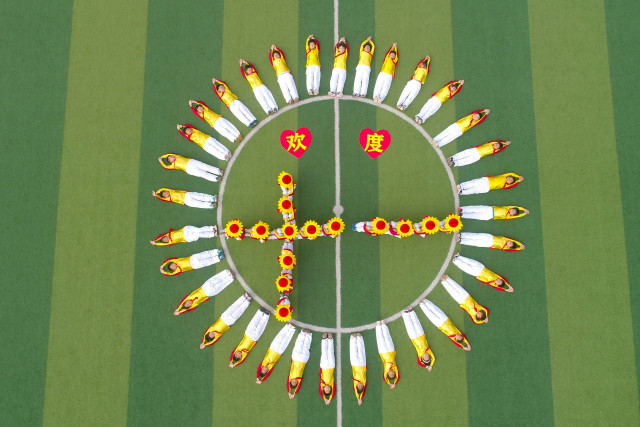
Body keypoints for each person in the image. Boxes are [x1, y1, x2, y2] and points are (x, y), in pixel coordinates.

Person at [158, 153, 223, 182]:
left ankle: (218, 171)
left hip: (191, 161)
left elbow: (169, 154)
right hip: (189, 169)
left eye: (171, 156)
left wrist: (163, 156)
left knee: (205, 166)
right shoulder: (173, 165)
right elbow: (166, 167)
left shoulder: (177, 156)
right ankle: (216, 178)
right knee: (203, 174)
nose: (172, 156)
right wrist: (161, 161)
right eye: (171, 157)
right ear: (170, 161)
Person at [159, 248, 224, 276]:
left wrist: (163, 265)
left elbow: (169, 260)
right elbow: (170, 274)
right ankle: (218, 258)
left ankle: (217, 252)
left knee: (205, 254)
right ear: (173, 270)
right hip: (194, 266)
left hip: (192, 258)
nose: (173, 265)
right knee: (207, 262)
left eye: (172, 264)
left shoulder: (176, 260)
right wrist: (164, 272)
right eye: (173, 267)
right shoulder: (177, 271)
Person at [287, 329, 312, 399]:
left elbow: (288, 385)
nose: (294, 381)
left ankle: (302, 333)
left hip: (295, 358)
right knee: (306, 347)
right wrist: (294, 393)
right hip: (303, 360)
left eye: (292, 382)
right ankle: (308, 335)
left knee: (298, 345)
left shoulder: (290, 376)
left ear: (290, 381)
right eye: (295, 383)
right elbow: (298, 387)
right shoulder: (299, 379)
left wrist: (289, 391)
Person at [375, 322, 399, 389]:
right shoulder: (395, 368)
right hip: (391, 351)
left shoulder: (386, 370)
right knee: (387, 338)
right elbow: (398, 377)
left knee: (380, 339)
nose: (392, 373)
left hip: (383, 352)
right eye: (393, 374)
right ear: (395, 373)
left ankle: (378, 326)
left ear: (387, 374)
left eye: (390, 374)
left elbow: (384, 378)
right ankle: (383, 325)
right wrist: (394, 383)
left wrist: (390, 383)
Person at [457, 172, 524, 195]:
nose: (509, 179)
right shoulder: (503, 176)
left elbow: (513, 185)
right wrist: (517, 176)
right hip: (486, 180)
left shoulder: (505, 185)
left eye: (510, 181)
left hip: (487, 188)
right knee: (473, 183)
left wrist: (518, 181)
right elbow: (511, 173)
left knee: (475, 190)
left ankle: (462, 192)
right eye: (509, 178)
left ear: (510, 183)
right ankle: (461, 186)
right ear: (508, 176)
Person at [150, 225, 217, 246]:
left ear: (165, 236)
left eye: (165, 238)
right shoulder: (170, 242)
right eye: (165, 241)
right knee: (199, 234)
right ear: (166, 242)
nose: (166, 239)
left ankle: (212, 228)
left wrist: (155, 240)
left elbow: (161, 236)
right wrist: (156, 243)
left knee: (198, 230)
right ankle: (213, 234)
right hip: (187, 238)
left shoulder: (169, 234)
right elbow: (162, 244)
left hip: (186, 230)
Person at [152, 188, 217, 209]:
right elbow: (161, 198)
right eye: (165, 195)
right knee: (199, 204)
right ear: (165, 197)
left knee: (200, 196)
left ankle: (213, 198)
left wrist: (157, 192)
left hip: (187, 194)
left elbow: (162, 189)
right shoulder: (168, 199)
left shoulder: (171, 191)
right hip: (186, 201)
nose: (166, 193)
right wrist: (156, 195)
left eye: (165, 192)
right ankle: (210, 205)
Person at [457, 232, 525, 251]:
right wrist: (520, 244)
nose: (509, 242)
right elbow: (512, 240)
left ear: (509, 247)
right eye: (510, 241)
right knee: (476, 236)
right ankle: (461, 235)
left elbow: (513, 249)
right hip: (490, 237)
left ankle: (461, 240)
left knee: (474, 242)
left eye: (510, 244)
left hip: (488, 244)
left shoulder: (505, 248)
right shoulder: (505, 239)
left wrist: (519, 248)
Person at [350, 333, 367, 405]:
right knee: (361, 351)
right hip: (362, 364)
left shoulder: (355, 382)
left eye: (358, 386)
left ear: (356, 386)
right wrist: (361, 397)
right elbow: (363, 390)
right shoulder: (364, 381)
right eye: (361, 386)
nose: (360, 385)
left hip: (354, 365)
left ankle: (353, 338)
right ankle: (360, 338)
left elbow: (355, 390)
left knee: (353, 352)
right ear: (363, 386)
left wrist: (358, 398)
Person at [319, 333, 335, 405]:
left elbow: (320, 392)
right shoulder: (331, 383)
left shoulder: (322, 384)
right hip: (331, 366)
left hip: (323, 366)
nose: (328, 388)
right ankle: (330, 339)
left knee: (324, 352)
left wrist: (325, 398)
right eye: (329, 389)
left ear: (323, 388)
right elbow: (334, 392)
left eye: (326, 390)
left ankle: (324, 339)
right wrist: (330, 398)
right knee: (331, 353)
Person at [459, 205, 530, 221]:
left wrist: (524, 213)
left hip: (489, 216)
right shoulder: (507, 208)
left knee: (475, 216)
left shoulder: (508, 217)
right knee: (476, 208)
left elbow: (517, 216)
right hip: (490, 209)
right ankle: (462, 209)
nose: (512, 211)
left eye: (513, 212)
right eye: (513, 210)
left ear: (512, 215)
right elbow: (515, 207)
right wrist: (523, 209)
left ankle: (463, 215)